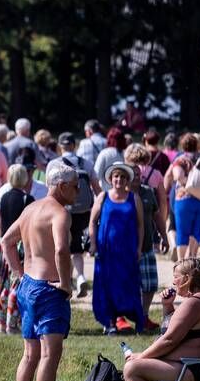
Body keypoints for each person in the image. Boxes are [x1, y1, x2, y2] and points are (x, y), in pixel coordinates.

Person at [0, 162, 78, 381]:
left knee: (29, 354)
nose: (78, 192)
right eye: (76, 187)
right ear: (62, 185)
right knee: (48, 355)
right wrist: (66, 284)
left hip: (28, 285)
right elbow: (62, 250)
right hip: (49, 288)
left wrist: (19, 274)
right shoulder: (60, 213)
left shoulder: (30, 209)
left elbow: (6, 242)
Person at [89, 163, 145, 334]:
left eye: (122, 177)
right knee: (106, 285)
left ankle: (135, 320)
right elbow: (92, 221)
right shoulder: (103, 197)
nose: (118, 179)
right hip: (106, 250)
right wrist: (93, 244)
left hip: (127, 250)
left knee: (128, 284)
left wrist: (139, 248)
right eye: (115, 177)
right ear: (111, 179)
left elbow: (141, 226)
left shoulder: (134, 198)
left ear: (127, 180)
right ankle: (110, 322)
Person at [0, 164, 35, 332]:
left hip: (4, 247)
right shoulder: (28, 199)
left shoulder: (4, 198)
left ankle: (2, 323)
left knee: (4, 286)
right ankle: (12, 324)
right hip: (19, 247)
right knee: (17, 285)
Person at [48, 132, 101, 296]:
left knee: (62, 245)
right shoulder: (86, 163)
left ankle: (66, 279)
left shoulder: (53, 164)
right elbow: (96, 188)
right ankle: (80, 277)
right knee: (77, 248)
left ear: (59, 146)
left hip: (61, 210)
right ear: (74, 145)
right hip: (84, 211)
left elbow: (48, 191)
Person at [124, 145, 164, 330]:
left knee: (150, 285)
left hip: (147, 246)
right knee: (126, 285)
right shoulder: (120, 195)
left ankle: (144, 316)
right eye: (135, 176)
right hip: (126, 250)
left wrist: (164, 236)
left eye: (139, 175)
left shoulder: (147, 192)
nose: (138, 178)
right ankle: (121, 318)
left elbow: (157, 215)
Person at [169, 135, 200, 260]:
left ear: (182, 145)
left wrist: (189, 184)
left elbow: (177, 176)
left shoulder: (180, 160)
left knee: (183, 232)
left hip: (185, 200)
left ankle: (181, 264)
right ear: (197, 145)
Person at [93, 126, 127, 192]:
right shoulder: (125, 154)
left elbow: (96, 175)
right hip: (122, 192)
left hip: (106, 193)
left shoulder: (104, 153)